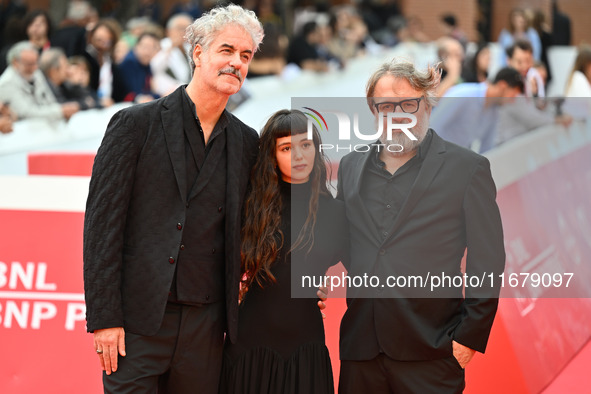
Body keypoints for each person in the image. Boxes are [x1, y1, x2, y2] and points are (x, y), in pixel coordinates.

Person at [83, 5, 264, 393]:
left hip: (208, 327)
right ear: (198, 53)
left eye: (245, 56)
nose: (236, 63)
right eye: (226, 50)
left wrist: (305, 282)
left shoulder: (247, 141)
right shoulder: (135, 125)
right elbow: (101, 228)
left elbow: (262, 223)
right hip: (137, 323)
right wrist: (104, 318)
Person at [336, 59, 506, 394]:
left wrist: (469, 335)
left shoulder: (467, 168)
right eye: (386, 105)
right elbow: (341, 240)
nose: (397, 114)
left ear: (427, 105)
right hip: (361, 350)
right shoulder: (350, 166)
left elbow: (488, 257)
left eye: (408, 104)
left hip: (432, 349)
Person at [220, 110, 347, 394]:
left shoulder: (338, 213)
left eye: (305, 144)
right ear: (272, 155)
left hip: (307, 349)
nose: (299, 155)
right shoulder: (249, 207)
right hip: (249, 347)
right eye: (286, 148)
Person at [430, 67, 524, 153]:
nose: (513, 100)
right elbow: (432, 126)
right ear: (502, 86)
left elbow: (487, 147)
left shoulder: (494, 110)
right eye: (513, 94)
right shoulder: (464, 95)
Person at [0, 41, 79, 121]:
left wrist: (63, 110)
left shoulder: (37, 73)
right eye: (29, 64)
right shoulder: (6, 83)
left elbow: (49, 100)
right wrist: (59, 111)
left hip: (46, 125)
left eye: (36, 63)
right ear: (15, 62)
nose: (34, 68)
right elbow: (25, 113)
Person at [151, 13, 193, 97]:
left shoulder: (189, 47)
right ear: (168, 30)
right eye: (180, 28)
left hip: (187, 89)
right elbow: (154, 67)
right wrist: (172, 46)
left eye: (187, 29)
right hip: (167, 92)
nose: (183, 32)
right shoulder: (162, 45)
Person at [118, 31, 161, 102]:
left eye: (152, 48)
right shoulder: (130, 62)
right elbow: (137, 93)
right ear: (136, 46)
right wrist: (158, 96)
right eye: (145, 47)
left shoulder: (147, 64)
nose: (147, 52)